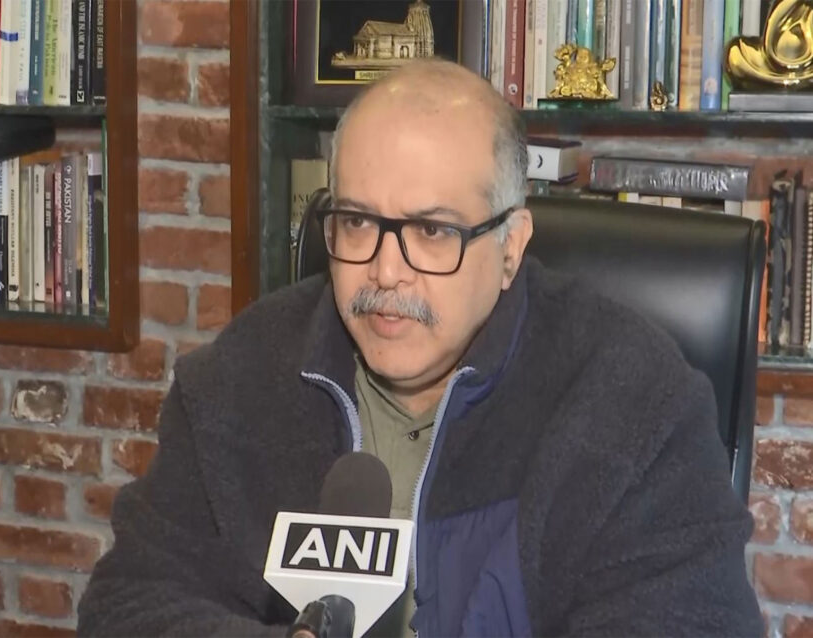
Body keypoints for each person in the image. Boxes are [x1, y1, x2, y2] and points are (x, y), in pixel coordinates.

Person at [78, 59, 762, 637]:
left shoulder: (634, 401)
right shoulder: (243, 373)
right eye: (357, 222)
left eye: (432, 232)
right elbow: (129, 602)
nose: (386, 272)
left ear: (511, 247)